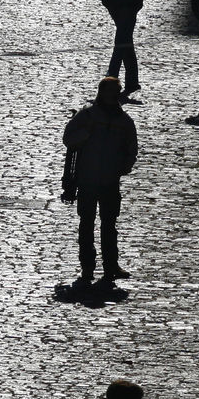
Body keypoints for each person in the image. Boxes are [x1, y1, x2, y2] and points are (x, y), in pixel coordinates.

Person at [63, 77, 137, 287]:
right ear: (101, 93)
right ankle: (87, 267)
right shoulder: (87, 115)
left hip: (109, 181)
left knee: (109, 224)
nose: (113, 96)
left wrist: (124, 167)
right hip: (87, 179)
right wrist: (86, 134)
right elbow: (68, 138)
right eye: (110, 92)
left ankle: (110, 265)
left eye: (116, 92)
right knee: (86, 224)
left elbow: (131, 147)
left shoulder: (124, 121)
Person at [93, 0, 151, 101]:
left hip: (115, 6)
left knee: (123, 38)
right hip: (130, 5)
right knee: (124, 40)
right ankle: (121, 78)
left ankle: (119, 77)